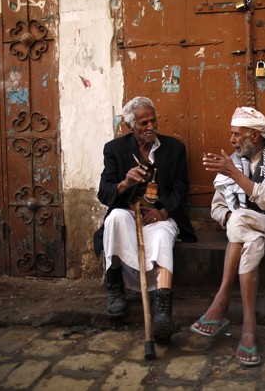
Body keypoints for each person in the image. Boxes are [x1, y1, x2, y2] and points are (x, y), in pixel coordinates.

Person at [190, 107, 265, 367]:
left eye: (236, 134)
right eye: (231, 135)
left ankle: (221, 299)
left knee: (241, 218)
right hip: (250, 236)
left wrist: (235, 175)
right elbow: (217, 208)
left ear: (254, 136)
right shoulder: (233, 161)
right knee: (249, 238)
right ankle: (249, 327)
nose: (231, 140)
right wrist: (230, 219)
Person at [94, 96, 197, 344]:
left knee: (162, 236)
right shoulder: (115, 149)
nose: (150, 127)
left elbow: (181, 188)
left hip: (158, 216)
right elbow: (104, 193)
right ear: (130, 126)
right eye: (143, 123)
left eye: (153, 120)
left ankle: (162, 305)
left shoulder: (174, 149)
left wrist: (163, 211)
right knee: (115, 218)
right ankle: (116, 289)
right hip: (129, 213)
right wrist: (125, 183)